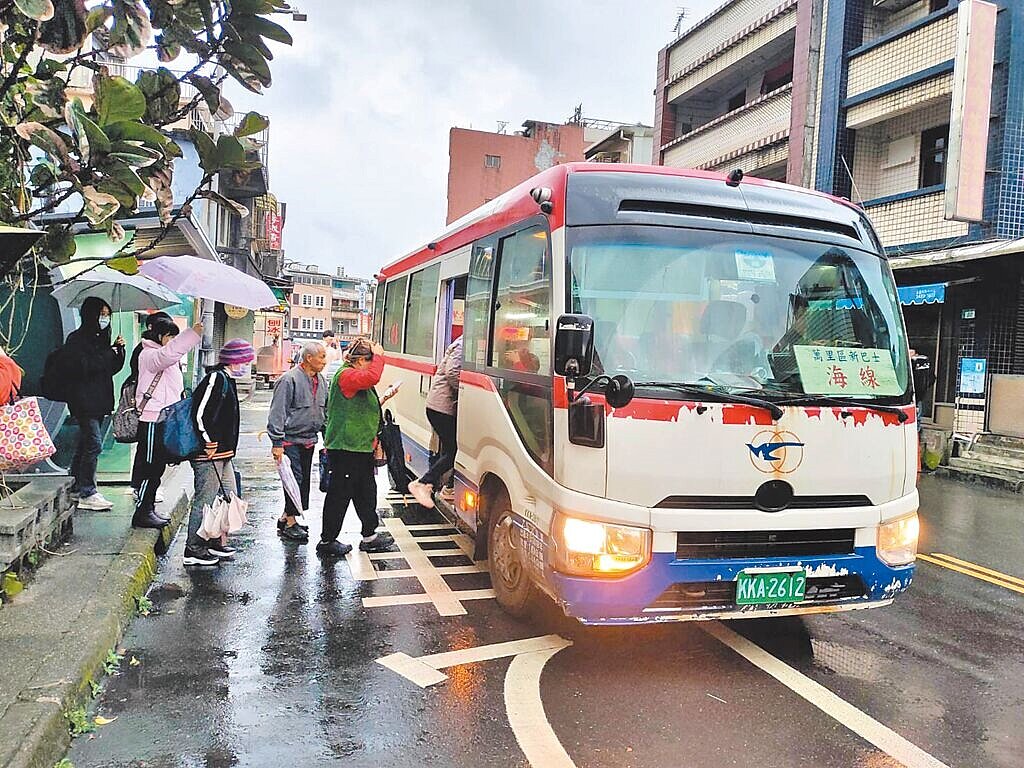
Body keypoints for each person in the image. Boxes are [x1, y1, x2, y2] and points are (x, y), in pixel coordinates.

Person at [318, 339, 394, 558]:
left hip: (359, 446)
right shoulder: (346, 375)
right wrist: (379, 357)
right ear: (360, 360)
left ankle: (369, 535)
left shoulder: (353, 377)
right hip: (346, 447)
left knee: (366, 492)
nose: (371, 366)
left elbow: (360, 405)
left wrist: (384, 398)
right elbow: (372, 377)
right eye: (370, 361)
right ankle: (327, 540)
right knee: (339, 494)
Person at [184, 339, 253, 567]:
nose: (247, 366)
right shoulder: (216, 379)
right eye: (245, 361)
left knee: (228, 496)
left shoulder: (227, 380)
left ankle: (214, 541)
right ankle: (194, 548)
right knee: (205, 500)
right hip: (209, 454)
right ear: (234, 360)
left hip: (223, 454)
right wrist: (208, 441)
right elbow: (199, 413)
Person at [133, 318, 203, 528]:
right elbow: (166, 356)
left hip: (164, 418)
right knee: (150, 468)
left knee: (157, 467)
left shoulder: (163, 355)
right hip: (152, 419)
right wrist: (192, 334)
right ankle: (142, 511)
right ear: (159, 336)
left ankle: (148, 508)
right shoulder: (149, 354)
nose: (173, 340)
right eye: (170, 336)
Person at [64, 297, 126, 511]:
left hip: (99, 401)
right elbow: (84, 367)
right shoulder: (77, 339)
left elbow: (109, 368)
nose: (104, 319)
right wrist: (108, 353)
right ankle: (87, 491)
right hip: (83, 402)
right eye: (101, 314)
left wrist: (119, 351)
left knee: (85, 444)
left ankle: (75, 485)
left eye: (107, 315)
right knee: (94, 444)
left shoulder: (102, 340)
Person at [267, 341, 328, 543]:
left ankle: (286, 516)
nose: (324, 361)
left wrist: (327, 437)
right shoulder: (289, 379)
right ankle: (291, 522)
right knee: (294, 479)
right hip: (289, 440)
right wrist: (276, 443)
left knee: (303, 482)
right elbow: (277, 412)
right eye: (321, 357)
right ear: (309, 358)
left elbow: (324, 411)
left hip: (309, 439)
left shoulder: (321, 380)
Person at [408, 335, 463, 509]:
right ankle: (424, 483)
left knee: (448, 449)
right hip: (442, 407)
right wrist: (469, 391)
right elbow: (452, 372)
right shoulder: (463, 344)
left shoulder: (463, 343)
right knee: (455, 450)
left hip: (440, 407)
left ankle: (446, 486)